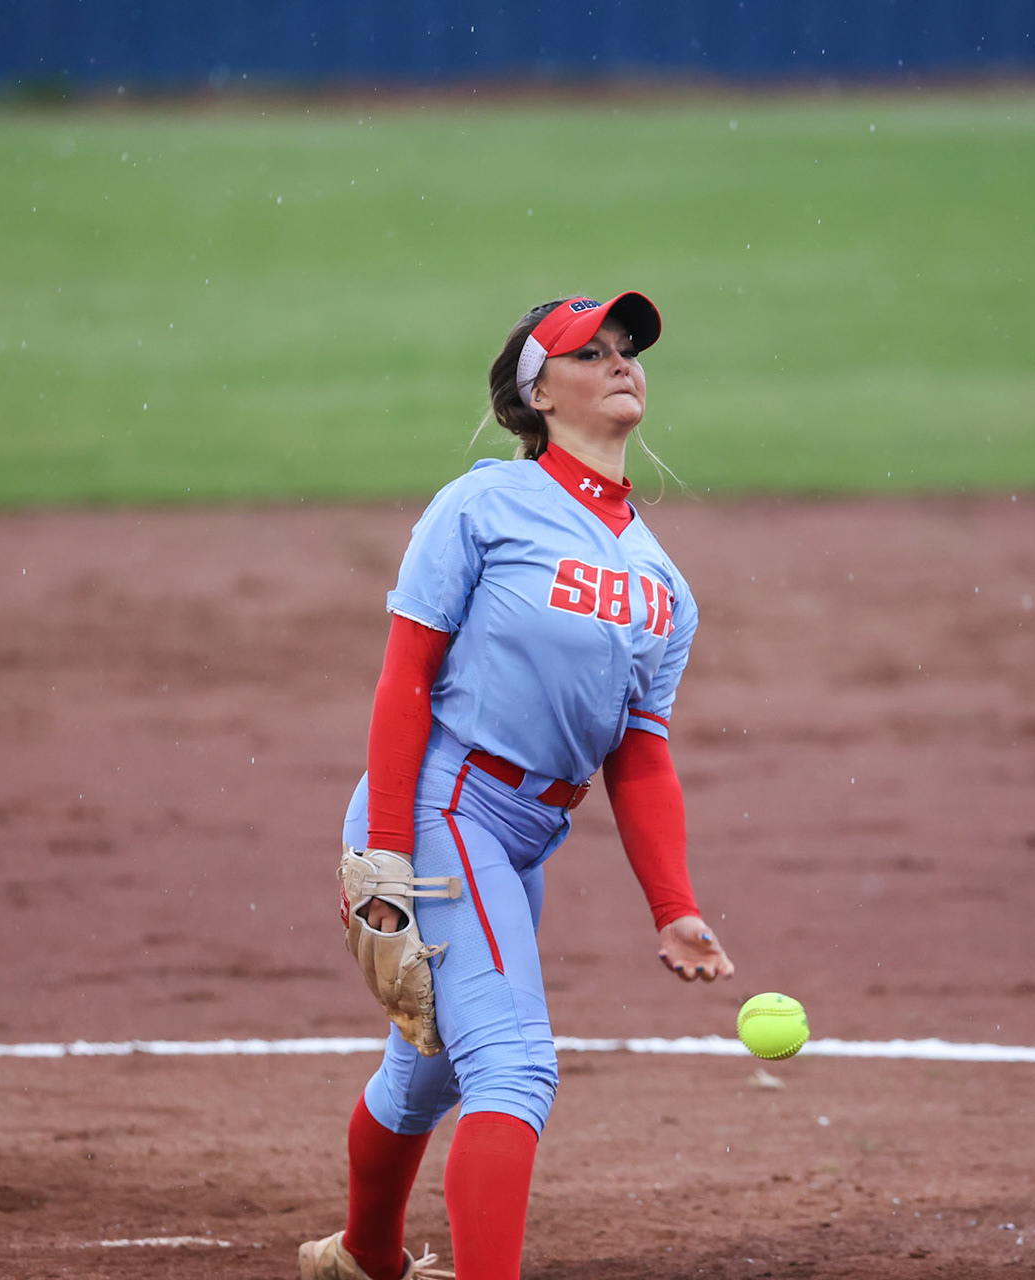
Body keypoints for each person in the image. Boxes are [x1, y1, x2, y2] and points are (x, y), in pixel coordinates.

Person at [300, 292, 735, 1280]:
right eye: (591, 349)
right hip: (440, 803)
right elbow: (406, 678)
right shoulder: (484, 504)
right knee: (516, 1065)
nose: (621, 359)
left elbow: (639, 752)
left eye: (628, 348)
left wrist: (675, 906)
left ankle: (362, 1256)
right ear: (536, 391)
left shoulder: (662, 582)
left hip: (522, 832)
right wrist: (389, 856)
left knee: (426, 1073)